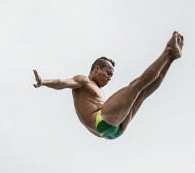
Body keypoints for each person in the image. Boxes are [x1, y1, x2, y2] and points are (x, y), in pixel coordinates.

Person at [33, 31, 184, 139]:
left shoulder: (98, 91)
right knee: (136, 85)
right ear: (97, 68)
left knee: (143, 92)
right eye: (108, 73)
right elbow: (63, 83)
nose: (110, 78)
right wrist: (44, 82)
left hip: (114, 131)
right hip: (102, 123)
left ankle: (171, 58)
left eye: (112, 75)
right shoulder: (84, 80)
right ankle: (168, 51)